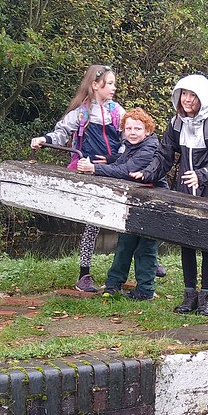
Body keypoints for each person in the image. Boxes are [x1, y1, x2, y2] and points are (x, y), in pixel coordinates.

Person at [131, 74, 208, 317]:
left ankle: (206, 296)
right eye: (183, 94)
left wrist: (202, 174)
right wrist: (146, 174)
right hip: (185, 189)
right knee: (186, 241)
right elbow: (164, 155)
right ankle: (189, 296)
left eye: (192, 95)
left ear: (202, 97)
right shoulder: (177, 123)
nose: (187, 100)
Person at [30, 64, 124, 293]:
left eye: (113, 83)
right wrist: (44, 138)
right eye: (109, 83)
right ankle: (84, 274)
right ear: (95, 85)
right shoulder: (80, 113)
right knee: (92, 223)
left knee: (126, 221)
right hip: (88, 175)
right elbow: (61, 133)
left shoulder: (117, 112)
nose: (113, 88)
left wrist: (114, 160)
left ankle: (146, 262)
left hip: (115, 173)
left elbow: (129, 141)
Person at [76, 107, 167, 301]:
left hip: (154, 202)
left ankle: (145, 291)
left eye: (138, 129)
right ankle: (113, 285)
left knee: (145, 248)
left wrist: (95, 168)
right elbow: (123, 160)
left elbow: (127, 169)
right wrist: (110, 159)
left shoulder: (151, 147)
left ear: (147, 131)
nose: (132, 133)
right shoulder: (130, 145)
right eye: (129, 129)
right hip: (134, 201)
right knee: (125, 243)